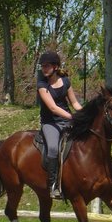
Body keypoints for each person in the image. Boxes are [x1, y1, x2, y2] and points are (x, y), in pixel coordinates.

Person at [37, 50, 83, 199]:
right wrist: (72, 117)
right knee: (52, 148)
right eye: (42, 66)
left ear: (56, 67)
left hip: (68, 120)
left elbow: (75, 103)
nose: (44, 68)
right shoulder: (42, 85)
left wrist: (84, 115)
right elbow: (52, 108)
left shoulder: (66, 82)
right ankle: (53, 185)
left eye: (47, 66)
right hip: (50, 123)